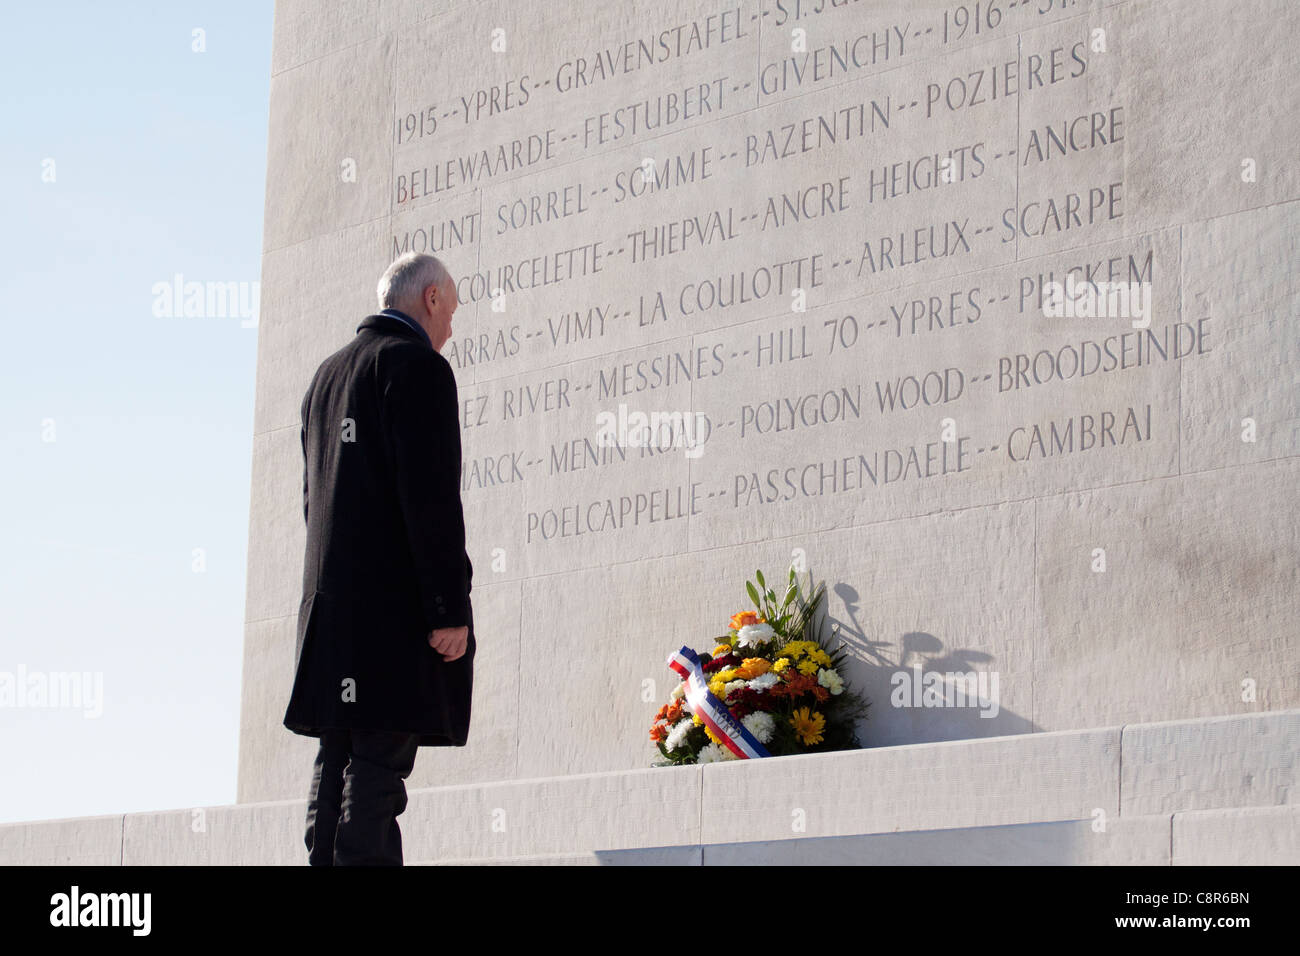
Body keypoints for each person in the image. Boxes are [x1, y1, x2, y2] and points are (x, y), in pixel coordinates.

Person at [283, 251, 474, 865]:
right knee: (375, 771)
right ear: (431, 299)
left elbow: (315, 505)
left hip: (333, 617)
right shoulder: (415, 366)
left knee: (336, 759)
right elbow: (431, 500)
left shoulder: (326, 376)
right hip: (390, 617)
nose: (451, 329)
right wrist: (447, 606)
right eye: (452, 309)